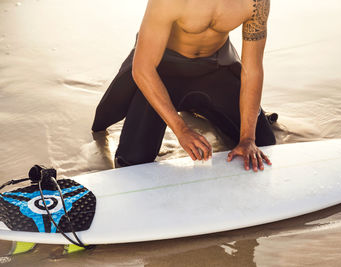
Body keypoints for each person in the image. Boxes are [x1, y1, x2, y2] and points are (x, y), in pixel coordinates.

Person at [92, 0, 276, 172]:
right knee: (132, 161)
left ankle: (201, 109)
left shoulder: (256, 2)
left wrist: (248, 138)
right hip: (163, 71)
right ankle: (188, 113)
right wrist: (182, 130)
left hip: (215, 70)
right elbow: (143, 68)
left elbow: (252, 70)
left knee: (263, 142)